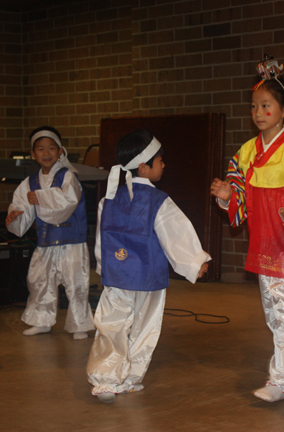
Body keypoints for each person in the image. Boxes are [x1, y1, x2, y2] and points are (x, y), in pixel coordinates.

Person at [210, 55, 284, 402]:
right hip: (263, 244)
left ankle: (283, 377)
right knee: (277, 313)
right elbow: (239, 194)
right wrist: (228, 196)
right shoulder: (245, 152)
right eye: (254, 106)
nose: (259, 113)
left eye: (266, 105)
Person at [87, 129, 211, 404]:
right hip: (148, 279)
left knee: (111, 326)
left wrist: (102, 267)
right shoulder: (159, 201)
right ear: (144, 167)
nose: (164, 164)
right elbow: (175, 234)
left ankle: (107, 380)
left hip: (116, 277)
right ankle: (128, 377)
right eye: (160, 160)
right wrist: (195, 262)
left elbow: (101, 239)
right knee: (144, 328)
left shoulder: (107, 200)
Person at [5, 126, 94, 339]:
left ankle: (79, 325)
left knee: (76, 283)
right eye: (41, 149)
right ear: (33, 154)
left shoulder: (68, 177)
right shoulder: (30, 182)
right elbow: (21, 205)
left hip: (71, 241)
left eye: (51, 148)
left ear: (60, 151)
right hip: (46, 241)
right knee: (40, 281)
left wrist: (43, 198)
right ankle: (41, 321)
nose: (46, 153)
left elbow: (68, 202)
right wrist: (15, 217)